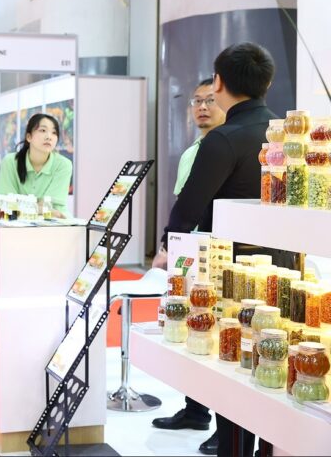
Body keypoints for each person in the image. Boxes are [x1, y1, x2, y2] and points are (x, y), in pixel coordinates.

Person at [153, 43, 278, 457]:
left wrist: (167, 246)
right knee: (274, 361)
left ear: (219, 82)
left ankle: (234, 447)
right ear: (267, 83)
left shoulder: (223, 139)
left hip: (231, 271)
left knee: (235, 362)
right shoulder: (280, 134)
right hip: (283, 269)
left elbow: (189, 206)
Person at [151, 77, 226, 456]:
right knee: (189, 326)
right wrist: (168, 246)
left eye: (210, 100)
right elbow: (182, 206)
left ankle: (226, 425)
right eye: (196, 101)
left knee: (219, 335)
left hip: (219, 254)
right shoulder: (191, 152)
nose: (202, 107)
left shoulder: (226, 147)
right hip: (189, 253)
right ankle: (196, 410)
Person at [0, 113, 73, 217]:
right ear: (29, 137)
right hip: (17, 224)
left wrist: (22, 206)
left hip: (55, 223)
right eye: (43, 130)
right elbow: (6, 202)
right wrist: (39, 208)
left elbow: (54, 207)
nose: (49, 137)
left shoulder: (63, 165)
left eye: (54, 133)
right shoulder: (10, 162)